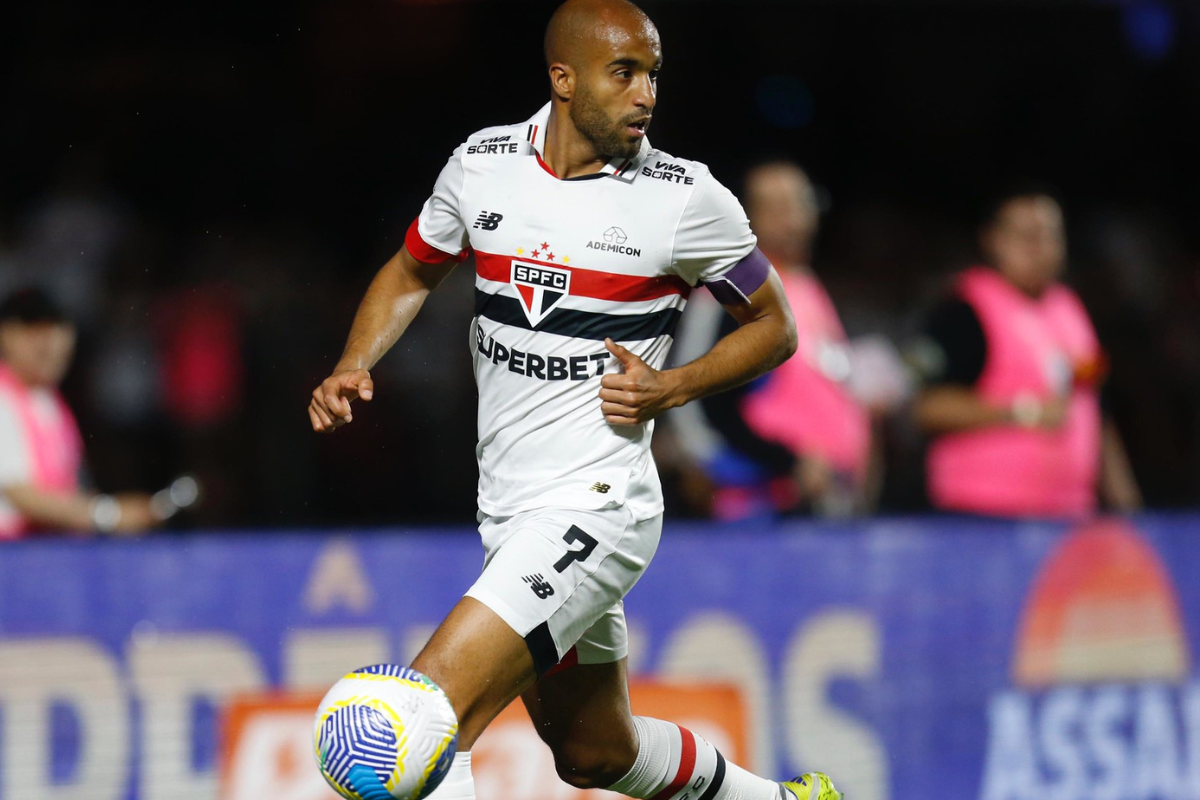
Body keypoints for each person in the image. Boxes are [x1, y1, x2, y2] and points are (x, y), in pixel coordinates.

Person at [307, 2, 842, 799]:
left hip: (600, 509)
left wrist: (672, 386)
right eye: (624, 72)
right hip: (510, 509)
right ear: (563, 79)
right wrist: (355, 359)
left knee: (406, 723)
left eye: (653, 74)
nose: (646, 94)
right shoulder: (483, 165)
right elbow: (414, 269)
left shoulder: (685, 199)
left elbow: (775, 326)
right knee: (594, 753)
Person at [913, 187, 1142, 517]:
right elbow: (927, 408)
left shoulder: (1071, 311)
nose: (1039, 248)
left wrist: (1127, 506)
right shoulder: (963, 311)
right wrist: (1024, 412)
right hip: (981, 516)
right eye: (1025, 236)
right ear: (993, 240)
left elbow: (1095, 411)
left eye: (1050, 235)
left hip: (1069, 516)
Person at [670, 161, 873, 518]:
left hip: (822, 506)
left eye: (801, 204)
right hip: (756, 511)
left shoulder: (806, 286)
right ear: (744, 216)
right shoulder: (728, 294)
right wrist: (788, 463)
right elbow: (692, 403)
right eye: (776, 208)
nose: (793, 220)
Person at [0, 287, 162, 537]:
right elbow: (16, 492)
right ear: (6, 335)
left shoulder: (51, 403)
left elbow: (70, 489)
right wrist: (109, 515)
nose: (49, 342)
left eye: (56, 328)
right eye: (34, 330)